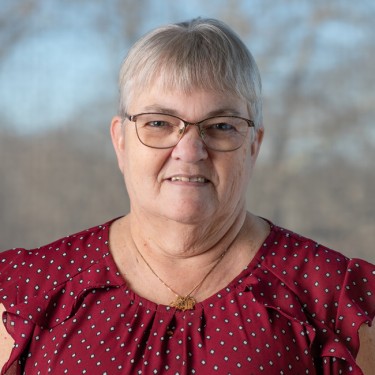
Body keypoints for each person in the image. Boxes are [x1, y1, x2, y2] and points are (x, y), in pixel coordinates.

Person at [1, 17, 374, 375]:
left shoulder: (337, 299)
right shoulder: (25, 292)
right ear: (120, 141)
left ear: (253, 146)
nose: (190, 149)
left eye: (222, 126)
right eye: (159, 123)